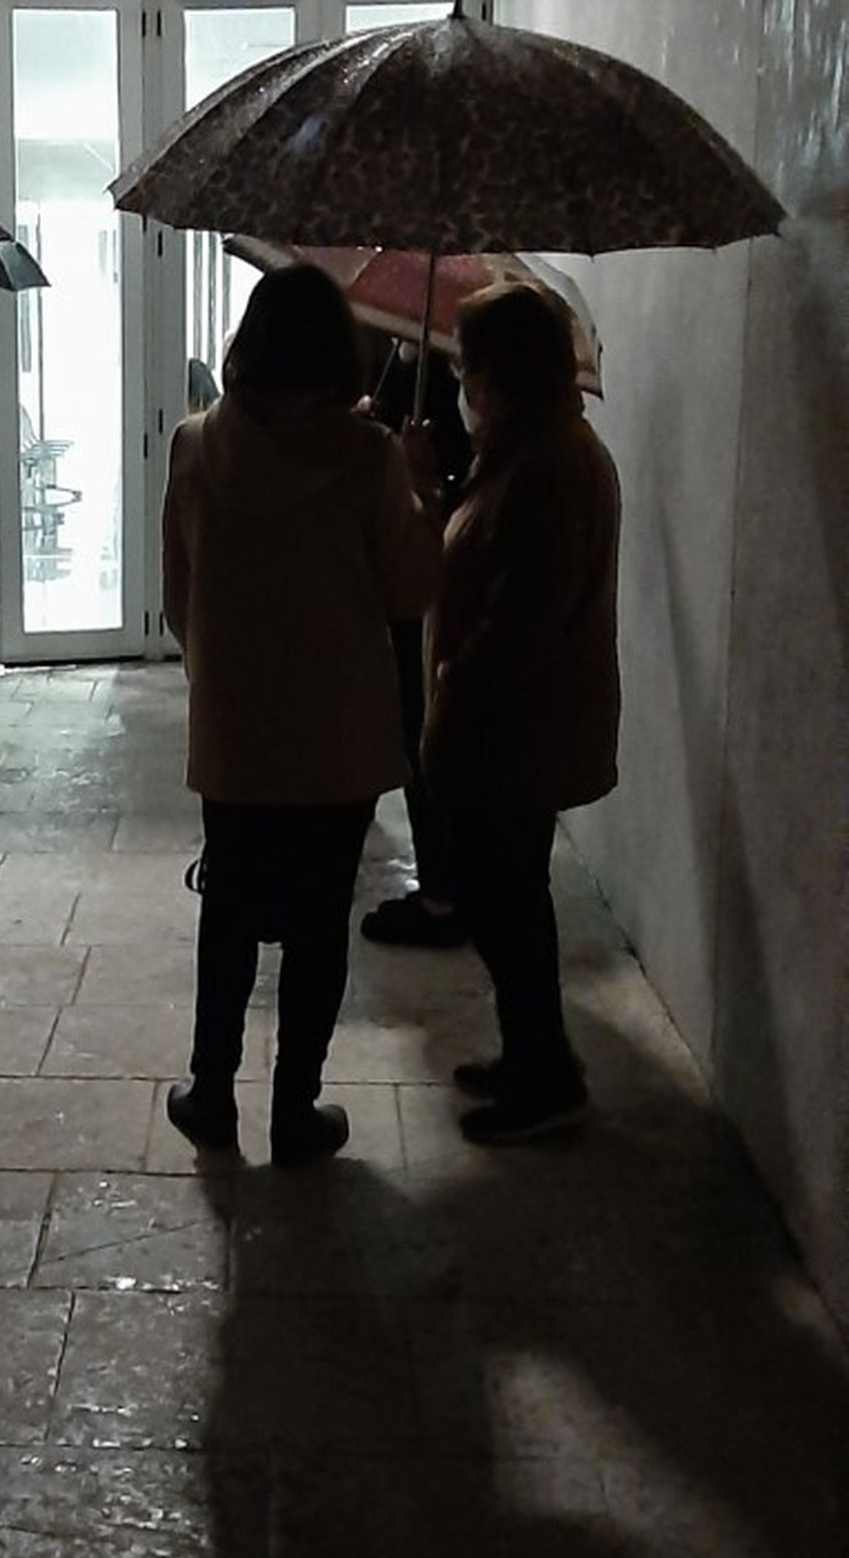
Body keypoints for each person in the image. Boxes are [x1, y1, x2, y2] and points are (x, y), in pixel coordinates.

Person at [162, 268, 442, 1165]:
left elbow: (178, 601)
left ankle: (212, 1092)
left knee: (229, 910)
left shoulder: (194, 444)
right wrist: (424, 493)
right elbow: (409, 592)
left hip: (236, 731)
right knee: (321, 922)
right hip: (339, 735)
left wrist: (228, 673)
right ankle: (295, 1109)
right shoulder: (369, 456)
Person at [418, 280, 621, 1146]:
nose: (462, 381)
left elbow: (523, 619)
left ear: (503, 371)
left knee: (506, 907)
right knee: (508, 899)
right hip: (513, 726)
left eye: (468, 365)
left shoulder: (547, 467)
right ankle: (530, 1055)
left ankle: (546, 1077)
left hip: (513, 729)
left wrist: (456, 684)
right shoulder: (525, 450)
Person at [360, 333, 473, 949]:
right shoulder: (394, 357)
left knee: (423, 735)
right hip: (409, 575)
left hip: (429, 580)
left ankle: (443, 893)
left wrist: (418, 474)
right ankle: (440, 883)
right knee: (411, 732)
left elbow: (446, 469)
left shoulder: (448, 375)